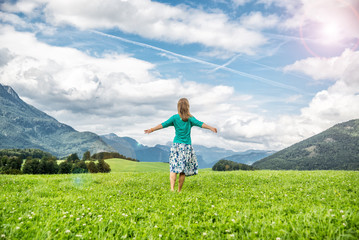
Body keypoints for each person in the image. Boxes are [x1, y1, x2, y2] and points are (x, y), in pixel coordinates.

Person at [144, 98, 217, 192]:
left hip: (176, 146)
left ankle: (171, 189)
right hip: (186, 147)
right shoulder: (190, 118)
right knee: (182, 170)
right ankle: (179, 191)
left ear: (178, 107)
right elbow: (200, 124)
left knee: (173, 168)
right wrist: (211, 128)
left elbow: (163, 124)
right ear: (188, 107)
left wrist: (152, 129)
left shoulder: (174, 118)